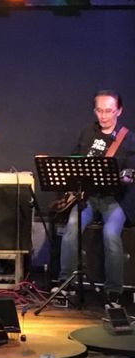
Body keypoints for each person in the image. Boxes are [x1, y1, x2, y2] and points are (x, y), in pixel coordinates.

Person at [58, 90, 135, 306]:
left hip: (114, 199)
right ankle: (66, 282)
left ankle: (113, 291)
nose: (104, 116)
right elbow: (74, 159)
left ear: (119, 111)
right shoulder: (87, 133)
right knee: (71, 229)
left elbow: (130, 173)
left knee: (111, 234)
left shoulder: (128, 139)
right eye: (99, 111)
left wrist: (126, 178)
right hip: (87, 197)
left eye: (109, 111)